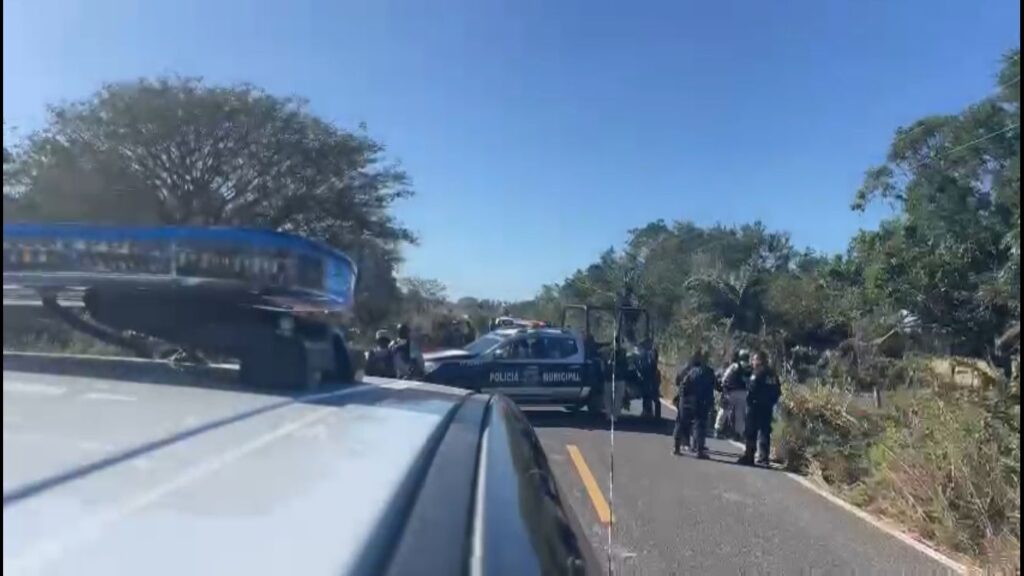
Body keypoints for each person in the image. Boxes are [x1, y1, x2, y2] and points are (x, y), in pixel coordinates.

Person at [738, 351, 782, 467]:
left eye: (754, 360)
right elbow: (778, 390)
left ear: (759, 360)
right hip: (767, 407)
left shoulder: (758, 372)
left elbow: (752, 388)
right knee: (764, 431)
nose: (752, 362)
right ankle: (764, 457)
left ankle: (749, 456)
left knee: (751, 431)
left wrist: (749, 401)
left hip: (755, 406)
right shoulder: (772, 374)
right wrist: (771, 402)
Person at [673, 349, 717, 459]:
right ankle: (699, 450)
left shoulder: (686, 369)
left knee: (681, 422)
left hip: (685, 399)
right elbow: (716, 385)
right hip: (701, 400)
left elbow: (677, 381)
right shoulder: (708, 371)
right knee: (699, 424)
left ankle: (676, 448)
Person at [715, 350, 751, 440]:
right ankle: (738, 433)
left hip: (730, 392)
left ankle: (718, 429)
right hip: (743, 393)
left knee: (724, 410)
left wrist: (722, 384)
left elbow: (725, 376)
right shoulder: (750, 368)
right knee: (740, 414)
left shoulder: (735, 366)